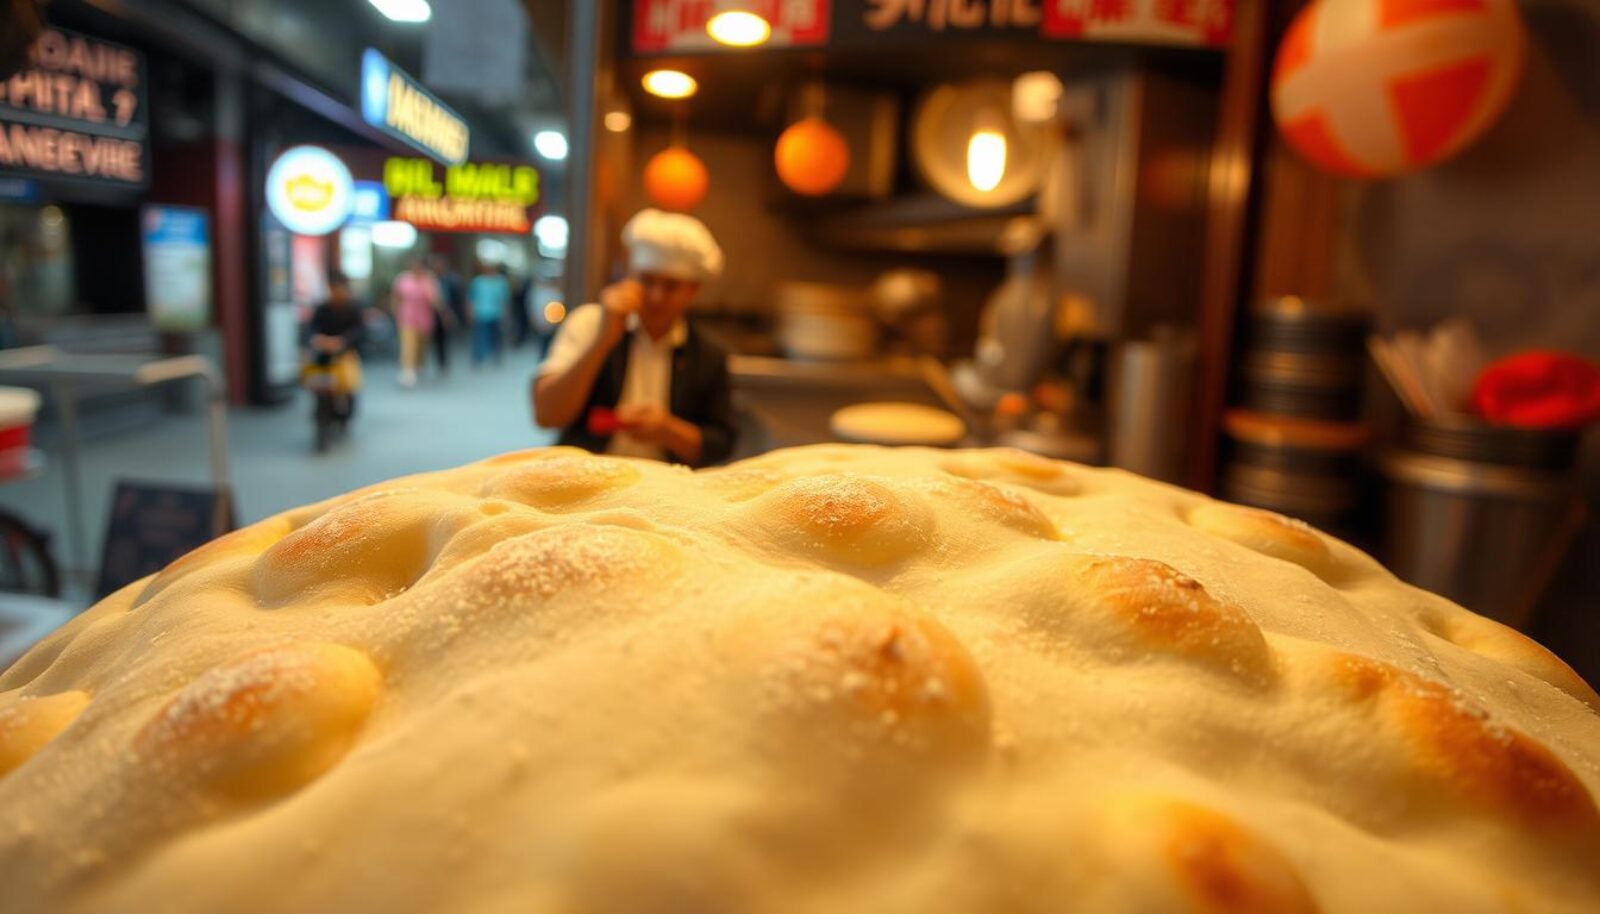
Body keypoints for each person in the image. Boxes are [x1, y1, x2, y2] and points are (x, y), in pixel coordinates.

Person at [532, 209, 737, 467]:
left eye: (671, 286)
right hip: (586, 477)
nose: (656, 297)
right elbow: (546, 414)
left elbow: (722, 444)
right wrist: (603, 340)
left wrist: (667, 430)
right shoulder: (589, 323)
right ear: (629, 274)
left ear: (693, 290)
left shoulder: (709, 355)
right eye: (647, 281)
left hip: (667, 489)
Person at [302, 274, 366, 449]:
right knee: (321, 393)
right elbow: (311, 329)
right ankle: (322, 426)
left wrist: (342, 341)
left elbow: (359, 331)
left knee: (348, 391)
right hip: (323, 359)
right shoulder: (323, 308)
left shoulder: (353, 308)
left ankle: (344, 418)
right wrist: (319, 340)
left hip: (346, 358)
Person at [390, 256, 441, 388]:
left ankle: (418, 365)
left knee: (420, 345)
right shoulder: (403, 279)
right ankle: (407, 371)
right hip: (406, 316)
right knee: (408, 344)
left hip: (424, 317)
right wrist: (395, 312)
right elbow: (396, 297)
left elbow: (435, 300)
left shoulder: (429, 280)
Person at [467, 259, 510, 366]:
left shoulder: (500, 282)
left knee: (496, 337)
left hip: (496, 313)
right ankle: (478, 357)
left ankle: (496, 356)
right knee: (480, 336)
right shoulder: (478, 282)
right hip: (481, 313)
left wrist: (505, 313)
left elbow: (504, 300)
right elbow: (471, 298)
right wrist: (470, 312)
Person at [431, 253, 465, 374]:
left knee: (444, 338)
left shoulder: (453, 280)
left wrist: (454, 314)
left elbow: (458, 299)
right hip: (434, 314)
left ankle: (444, 361)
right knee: (437, 338)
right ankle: (440, 361)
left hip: (448, 312)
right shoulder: (431, 279)